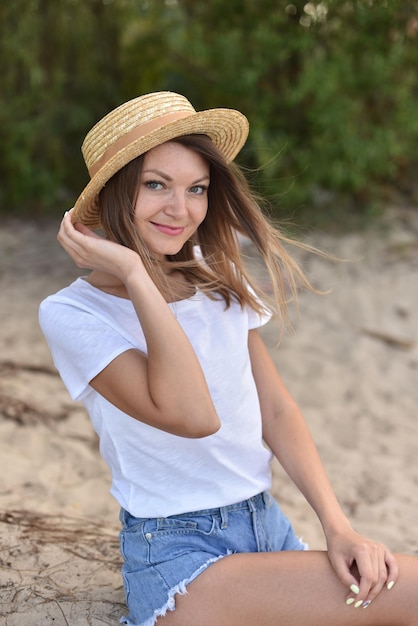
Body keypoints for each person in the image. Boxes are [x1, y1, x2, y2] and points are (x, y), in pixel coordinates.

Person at [39, 91, 418, 626]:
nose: (182, 209)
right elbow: (194, 416)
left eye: (197, 189)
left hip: (268, 526)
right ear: (115, 194)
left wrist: (338, 526)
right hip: (180, 557)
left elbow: (278, 412)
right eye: (156, 185)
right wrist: (132, 273)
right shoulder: (72, 314)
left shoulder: (219, 285)